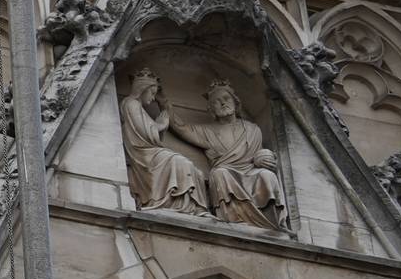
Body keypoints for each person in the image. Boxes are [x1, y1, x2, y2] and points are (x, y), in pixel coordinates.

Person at [173, 80, 288, 230]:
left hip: (250, 171)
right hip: (226, 171)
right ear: (211, 109)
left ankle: (272, 224)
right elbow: (181, 128)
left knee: (267, 176)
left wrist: (267, 159)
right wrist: (165, 105)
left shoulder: (252, 129)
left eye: (226, 99)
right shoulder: (207, 131)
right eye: (216, 102)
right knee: (220, 173)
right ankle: (233, 221)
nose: (222, 104)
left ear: (235, 102)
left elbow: (258, 154)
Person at [123, 71, 210, 216]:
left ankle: (192, 207)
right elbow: (145, 132)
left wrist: (163, 113)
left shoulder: (136, 106)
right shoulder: (131, 103)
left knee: (196, 171)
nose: (152, 98)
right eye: (151, 93)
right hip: (143, 152)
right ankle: (178, 205)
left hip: (151, 150)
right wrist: (161, 125)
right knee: (181, 162)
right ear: (142, 90)